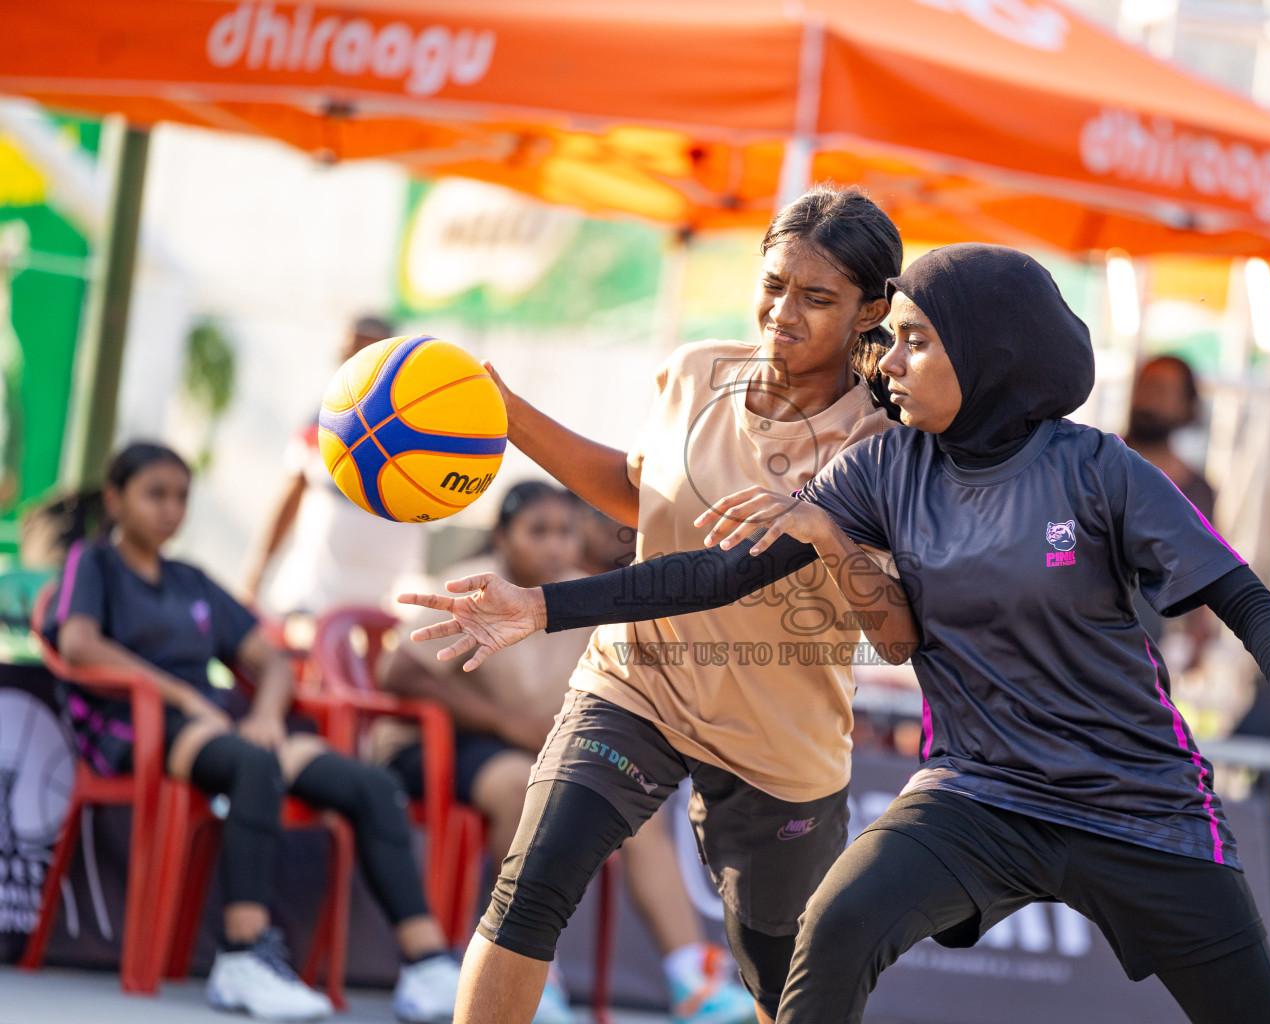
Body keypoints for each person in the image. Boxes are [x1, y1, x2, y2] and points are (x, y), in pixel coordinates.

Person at [407, 245, 1270, 1024]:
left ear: (988, 354)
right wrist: (541, 609)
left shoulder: (1100, 471)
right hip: (981, 792)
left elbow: (1249, 601)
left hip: (1139, 803)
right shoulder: (884, 467)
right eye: (889, 340)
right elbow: (713, 572)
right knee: (839, 920)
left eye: (915, 342)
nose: (886, 363)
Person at [403, 184, 909, 1024]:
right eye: (775, 284)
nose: (782, 312)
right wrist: (508, 416)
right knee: (529, 890)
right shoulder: (693, 372)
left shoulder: (882, 444)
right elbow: (641, 496)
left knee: (785, 988)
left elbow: (719, 572)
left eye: (817, 299)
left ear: (871, 311)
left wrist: (542, 605)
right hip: (636, 687)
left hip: (778, 736)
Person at [45, 443, 460, 1024]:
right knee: (252, 765)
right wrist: (185, 694)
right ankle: (243, 956)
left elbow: (271, 661)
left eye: (181, 498)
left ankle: (426, 965)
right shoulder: (93, 564)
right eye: (155, 494)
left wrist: (267, 713)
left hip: (219, 729)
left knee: (368, 785)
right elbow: (78, 644)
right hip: (130, 724)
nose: (170, 510)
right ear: (115, 499)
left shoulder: (190, 581)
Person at [377, 481, 758, 1024]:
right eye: (538, 532)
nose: (554, 545)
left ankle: (694, 982)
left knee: (635, 806)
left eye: (565, 531)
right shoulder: (466, 584)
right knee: (519, 785)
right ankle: (528, 973)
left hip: (538, 753)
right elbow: (397, 670)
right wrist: (506, 723)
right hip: (441, 749)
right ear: (501, 537)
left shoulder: (582, 593)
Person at [247, 315, 426, 614]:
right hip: (315, 593)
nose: (353, 361)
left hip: (387, 600)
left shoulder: (424, 424)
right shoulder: (322, 418)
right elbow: (292, 491)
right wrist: (258, 570)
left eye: (365, 352)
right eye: (348, 352)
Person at [1124, 355, 1217, 660]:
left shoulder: (1197, 492)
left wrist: (1198, 636)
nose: (1148, 399)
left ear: (1186, 407)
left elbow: (1203, 575)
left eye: (1162, 390)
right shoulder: (1089, 465)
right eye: (1145, 386)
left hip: (1144, 658)